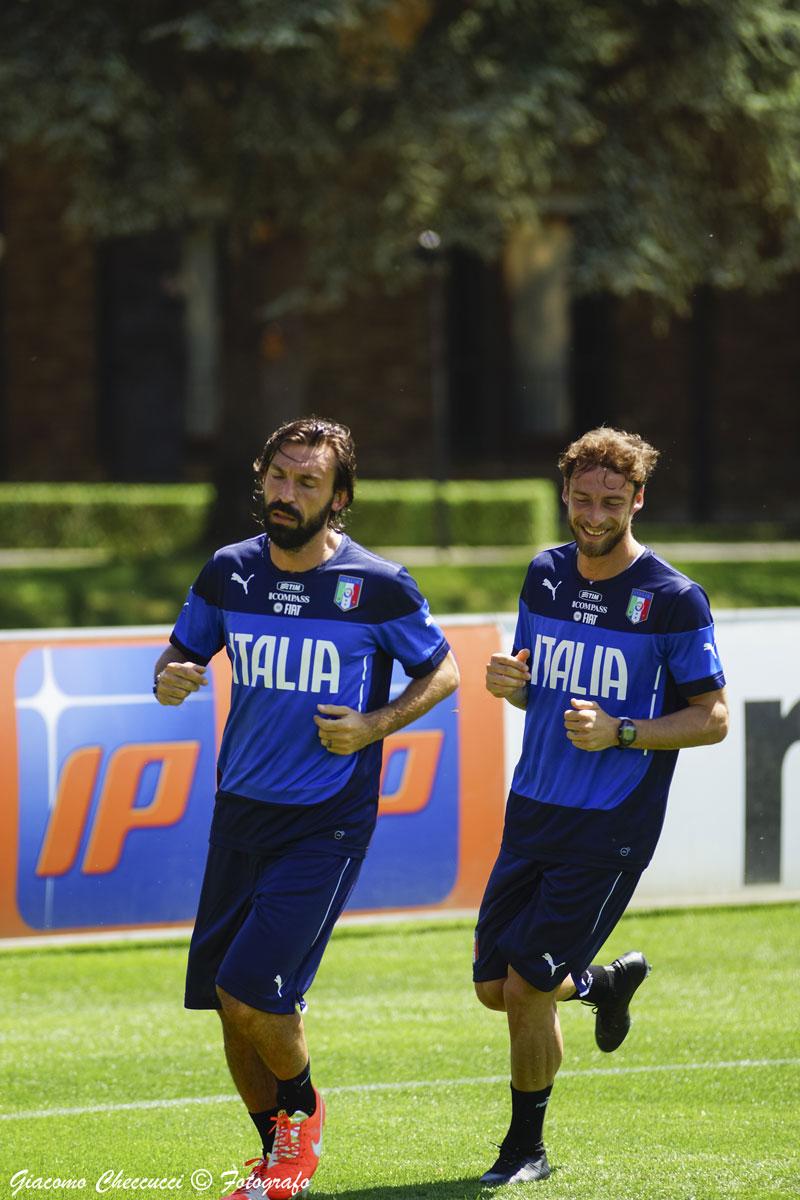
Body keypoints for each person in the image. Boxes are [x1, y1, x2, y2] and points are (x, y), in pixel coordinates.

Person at [153, 416, 459, 1200]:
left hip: (326, 818)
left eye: (308, 483)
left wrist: (374, 725)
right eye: (279, 478)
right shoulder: (229, 571)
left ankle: (303, 1118)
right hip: (239, 813)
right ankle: (276, 1161)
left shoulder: (378, 586)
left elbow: (445, 671)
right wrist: (172, 675)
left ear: (340, 496)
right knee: (227, 1001)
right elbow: (180, 653)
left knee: (256, 987)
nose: (287, 495)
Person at [474, 427, 728, 1185]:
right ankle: (600, 985)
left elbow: (712, 717)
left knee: (524, 986)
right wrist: (510, 685)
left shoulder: (673, 599)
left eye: (610, 501)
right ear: (565, 494)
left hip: (610, 822)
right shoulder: (544, 574)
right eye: (582, 498)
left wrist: (623, 732)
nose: (592, 514)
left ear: (638, 500)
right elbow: (532, 683)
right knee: (496, 988)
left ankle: (526, 1152)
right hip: (533, 807)